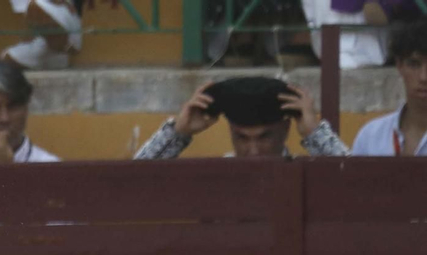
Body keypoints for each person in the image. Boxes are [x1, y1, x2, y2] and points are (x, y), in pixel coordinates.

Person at [134, 76, 348, 159]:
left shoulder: (306, 171)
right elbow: (129, 182)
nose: (253, 151)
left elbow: (362, 185)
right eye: (242, 138)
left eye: (264, 137)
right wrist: (178, 134)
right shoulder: (213, 176)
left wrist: (315, 133)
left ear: (285, 129)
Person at [352, 21, 427, 155]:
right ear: (399, 65)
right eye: (414, 64)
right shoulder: (370, 136)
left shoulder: (372, 135)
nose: (423, 77)